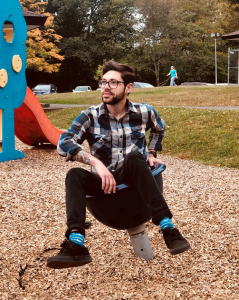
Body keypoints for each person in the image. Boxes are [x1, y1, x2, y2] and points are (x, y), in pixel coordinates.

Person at [47, 61, 190, 269]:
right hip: (103, 183)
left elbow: (160, 128)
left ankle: (168, 228)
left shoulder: (144, 112)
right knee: (75, 175)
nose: (106, 87)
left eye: (113, 82)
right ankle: (76, 243)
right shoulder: (90, 116)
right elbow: (63, 143)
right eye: (103, 82)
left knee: (133, 156)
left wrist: (151, 152)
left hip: (134, 179)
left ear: (128, 87)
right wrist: (95, 162)